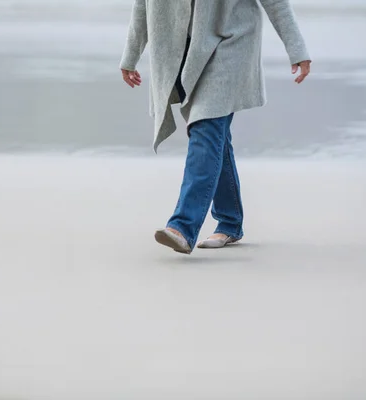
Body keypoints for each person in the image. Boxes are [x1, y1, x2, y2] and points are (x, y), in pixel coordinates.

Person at [120, 0, 311, 254]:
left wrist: (297, 49)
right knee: (215, 133)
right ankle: (230, 221)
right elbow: (143, 4)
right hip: (186, 50)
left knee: (205, 125)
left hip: (231, 41)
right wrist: (130, 55)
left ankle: (182, 227)